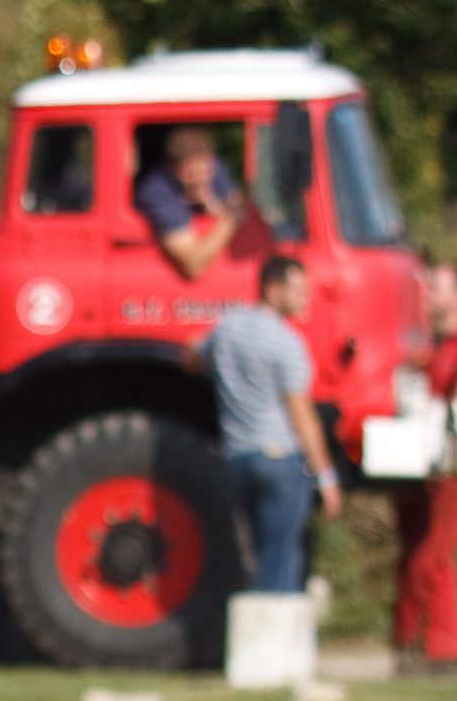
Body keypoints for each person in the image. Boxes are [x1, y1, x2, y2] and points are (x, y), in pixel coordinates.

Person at [183, 255, 342, 592]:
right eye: (297, 290)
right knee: (282, 556)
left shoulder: (228, 326)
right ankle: (274, 637)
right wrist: (326, 475)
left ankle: (252, 630)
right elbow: (302, 415)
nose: (305, 298)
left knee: (253, 552)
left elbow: (192, 357)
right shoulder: (287, 343)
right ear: (272, 289)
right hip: (279, 458)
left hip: (237, 458)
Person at [392, 262, 457, 678]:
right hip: (420, 464)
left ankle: (444, 650)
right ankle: (408, 644)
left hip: (456, 465)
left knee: (431, 558)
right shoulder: (426, 344)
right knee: (411, 557)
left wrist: (453, 409)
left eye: (435, 288)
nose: (427, 295)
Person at [136, 128, 244, 280]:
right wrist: (228, 221)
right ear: (172, 170)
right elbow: (193, 264)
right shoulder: (156, 191)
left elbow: (239, 204)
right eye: (190, 173)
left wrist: (215, 205)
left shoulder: (216, 168)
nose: (200, 180)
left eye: (205, 171)